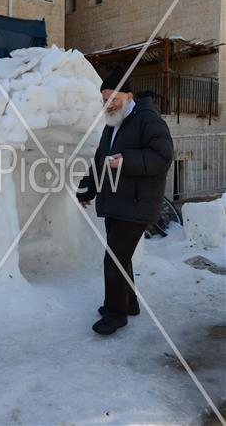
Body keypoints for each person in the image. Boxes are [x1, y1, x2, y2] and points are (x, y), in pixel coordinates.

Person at [76, 64, 174, 336]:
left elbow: (163, 157)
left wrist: (127, 161)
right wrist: (87, 189)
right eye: (104, 100)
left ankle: (115, 314)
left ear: (129, 96)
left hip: (137, 203)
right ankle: (128, 303)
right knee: (122, 258)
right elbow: (101, 162)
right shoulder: (113, 125)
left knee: (114, 259)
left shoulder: (148, 120)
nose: (108, 104)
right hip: (117, 203)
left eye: (113, 99)